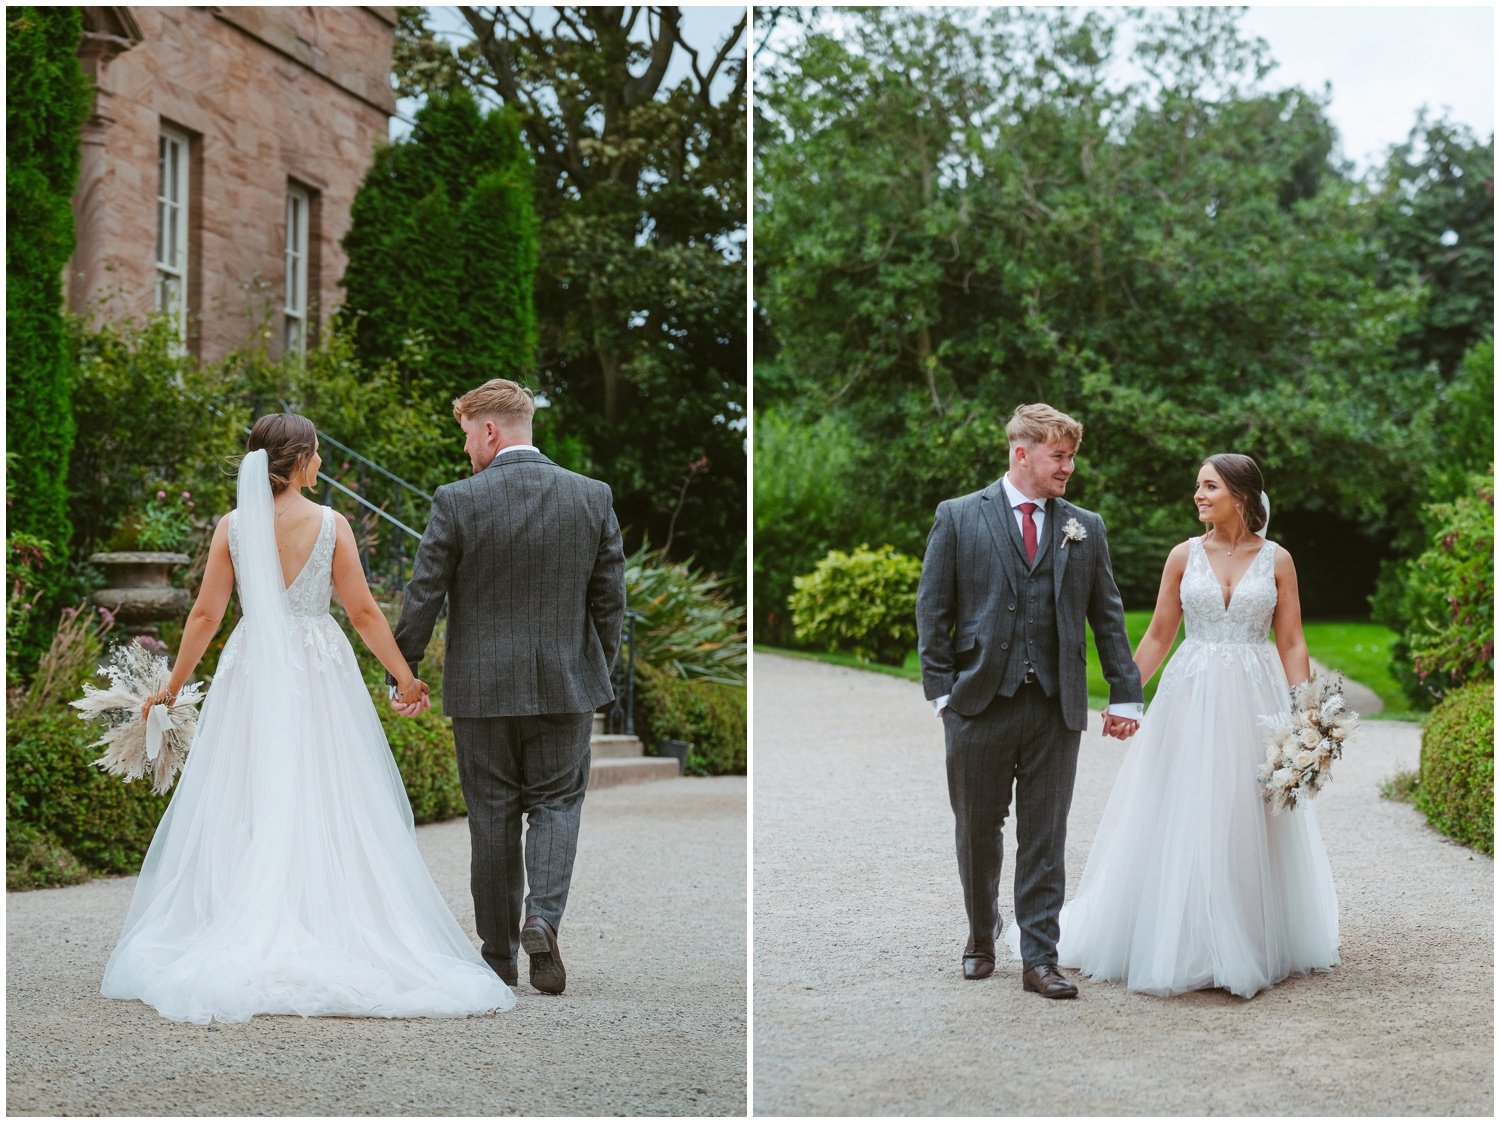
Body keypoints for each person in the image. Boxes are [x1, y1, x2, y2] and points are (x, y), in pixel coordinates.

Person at [102, 414, 514, 1024]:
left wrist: (172, 686)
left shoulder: (233, 526)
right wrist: (405, 677)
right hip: (319, 668)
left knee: (246, 789)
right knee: (329, 788)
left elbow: (205, 617)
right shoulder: (331, 523)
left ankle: (238, 916)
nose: (321, 464)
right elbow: (365, 612)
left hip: (253, 667)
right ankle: (326, 918)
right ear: (297, 461)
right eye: (316, 455)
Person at [1028, 453, 1340, 997]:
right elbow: (1157, 635)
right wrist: (1126, 696)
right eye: (1197, 486)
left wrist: (1307, 713)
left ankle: (1243, 937)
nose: (1198, 495)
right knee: (1184, 807)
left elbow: (1290, 640)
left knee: (1244, 813)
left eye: (1209, 486)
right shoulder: (1183, 555)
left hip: (1253, 697)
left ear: (1241, 495)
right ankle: (1184, 937)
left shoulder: (1278, 560)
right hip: (1190, 695)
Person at [389, 378, 626, 996]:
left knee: (491, 815)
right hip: (564, 685)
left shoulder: (456, 501)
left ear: (490, 429)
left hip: (481, 688)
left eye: (468, 434)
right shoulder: (591, 497)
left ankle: (497, 958)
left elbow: (424, 595)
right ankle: (542, 918)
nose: (467, 448)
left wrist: (404, 672)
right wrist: (593, 670)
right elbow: (610, 602)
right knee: (556, 804)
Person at [916, 403, 1144, 999]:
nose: (1068, 467)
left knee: (1045, 832)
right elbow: (932, 611)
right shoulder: (960, 517)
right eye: (1058, 456)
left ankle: (1041, 955)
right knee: (978, 827)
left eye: (1071, 456)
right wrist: (943, 692)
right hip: (978, 702)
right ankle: (980, 933)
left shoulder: (1083, 526)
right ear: (1023, 454)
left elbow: (1108, 615)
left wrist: (1126, 693)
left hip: (1054, 703)